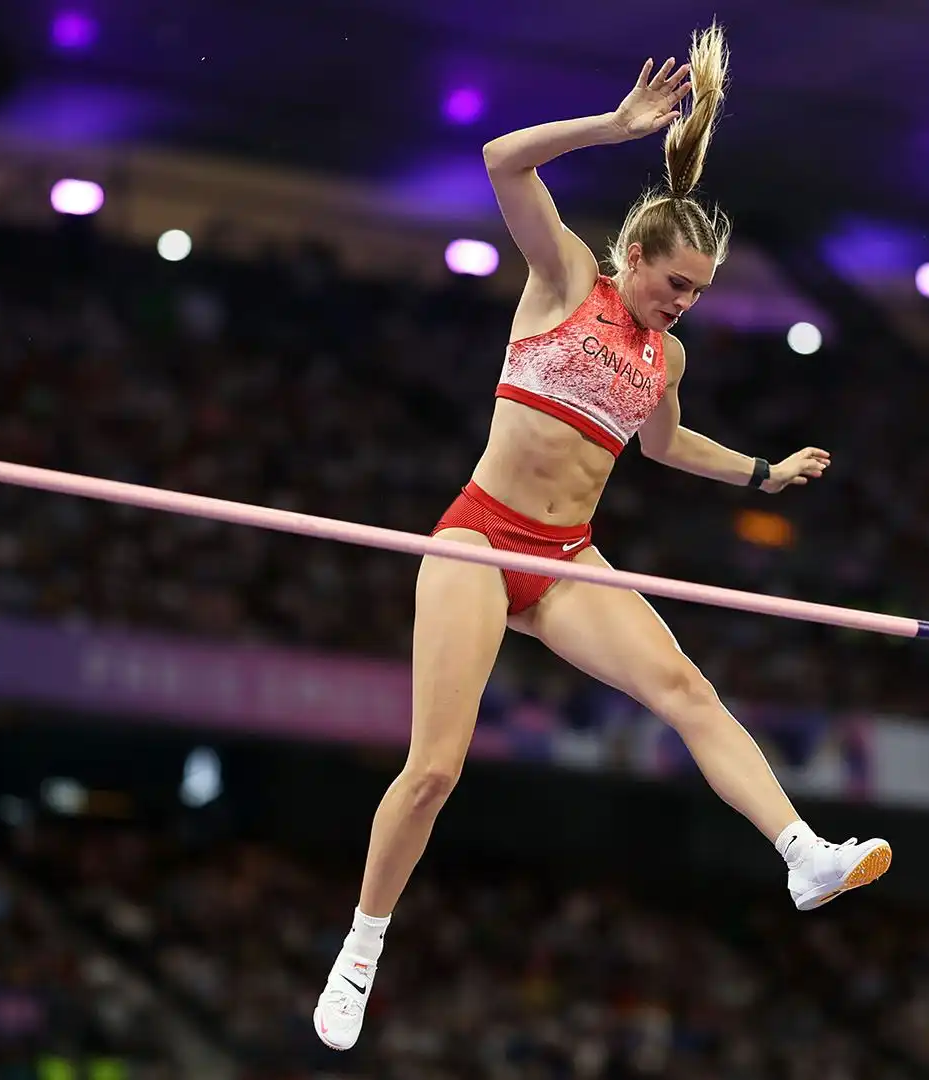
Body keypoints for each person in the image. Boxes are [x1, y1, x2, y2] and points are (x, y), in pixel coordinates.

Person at [314, 21, 891, 1051]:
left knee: (689, 692)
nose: (682, 308)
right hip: (481, 543)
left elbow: (665, 449)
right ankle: (360, 949)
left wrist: (761, 471)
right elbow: (500, 160)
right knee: (435, 769)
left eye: (699, 296)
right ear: (632, 258)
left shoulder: (665, 363)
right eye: (675, 286)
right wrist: (617, 126)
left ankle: (803, 852)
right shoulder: (566, 279)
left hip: (570, 559)